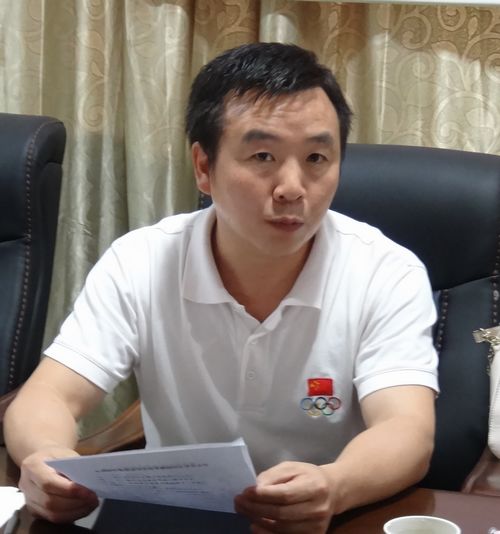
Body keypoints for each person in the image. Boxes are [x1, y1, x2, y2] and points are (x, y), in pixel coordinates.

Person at [4, 43, 438, 533]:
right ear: (203, 167)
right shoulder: (142, 261)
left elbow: (406, 428)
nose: (292, 187)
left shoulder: (386, 271)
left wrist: (334, 485)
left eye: (317, 157)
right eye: (263, 156)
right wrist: (44, 456)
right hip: (178, 520)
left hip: (325, 522)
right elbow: (49, 397)